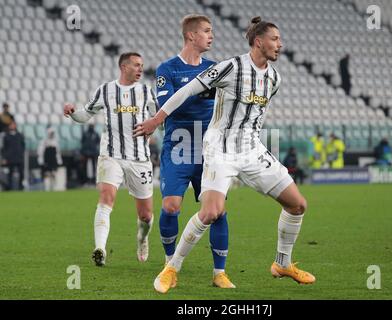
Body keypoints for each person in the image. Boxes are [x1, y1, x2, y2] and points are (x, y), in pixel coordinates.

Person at [134, 16, 316, 293]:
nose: (280, 44)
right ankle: (172, 268)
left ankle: (282, 263)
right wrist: (157, 120)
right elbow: (188, 90)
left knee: (297, 204)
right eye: (275, 39)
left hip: (252, 148)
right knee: (211, 212)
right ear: (259, 41)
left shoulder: (274, 78)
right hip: (219, 147)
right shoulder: (230, 67)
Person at [155, 14, 233, 289]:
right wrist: (200, 92)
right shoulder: (167, 70)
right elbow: (171, 106)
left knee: (218, 212)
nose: (211, 36)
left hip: (209, 149)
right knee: (170, 206)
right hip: (178, 146)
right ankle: (169, 261)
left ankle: (219, 273)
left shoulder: (216, 68)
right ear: (191, 36)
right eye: (207, 31)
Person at [63, 52, 157, 266]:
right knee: (106, 199)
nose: (141, 69)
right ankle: (100, 248)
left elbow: (158, 117)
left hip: (139, 159)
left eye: (142, 65)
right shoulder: (105, 90)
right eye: (136, 65)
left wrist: (151, 128)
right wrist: (72, 111)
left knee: (146, 215)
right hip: (110, 155)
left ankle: (142, 239)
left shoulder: (145, 91)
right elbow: (85, 115)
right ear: (124, 67)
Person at [37, 126, 63, 191]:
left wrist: (59, 160)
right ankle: (46, 188)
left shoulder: (55, 141)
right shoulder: (44, 141)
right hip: (47, 160)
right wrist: (41, 160)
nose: (51, 134)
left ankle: (54, 187)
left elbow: (58, 152)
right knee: (47, 174)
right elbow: (40, 151)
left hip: (53, 160)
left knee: (54, 174)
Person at [1, 121, 25, 190]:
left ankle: (20, 187)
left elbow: (23, 146)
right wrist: (4, 158)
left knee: (21, 173)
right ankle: (9, 187)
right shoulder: (6, 136)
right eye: (11, 125)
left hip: (18, 157)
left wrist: (21, 154)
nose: (12, 126)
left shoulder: (19, 135)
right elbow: (4, 148)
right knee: (10, 173)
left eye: (14, 125)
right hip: (10, 158)